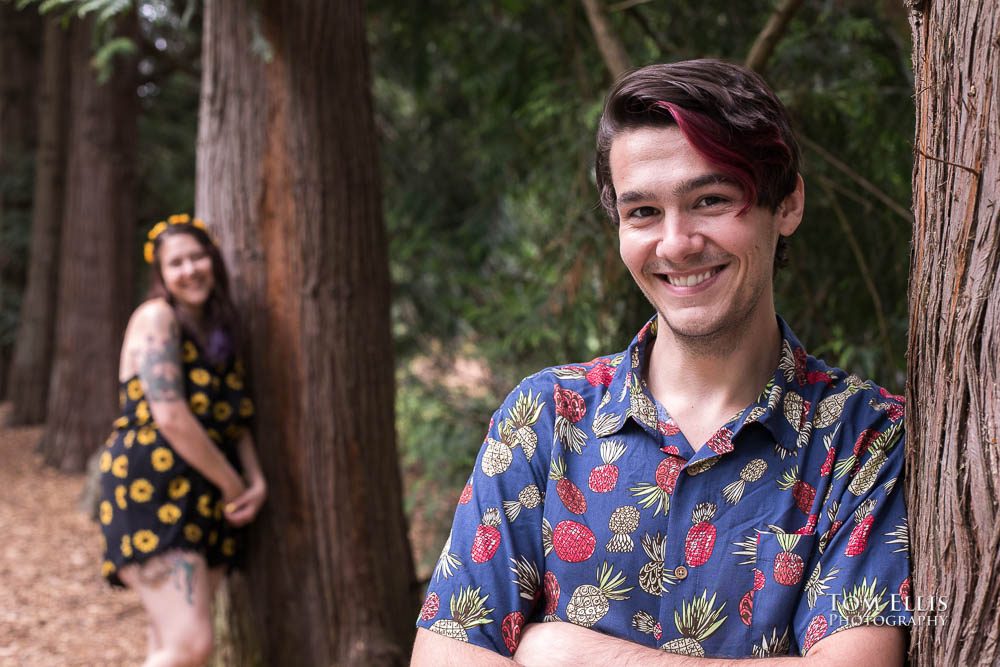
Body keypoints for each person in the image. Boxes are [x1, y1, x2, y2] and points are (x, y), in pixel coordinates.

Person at [411, 60, 910, 665]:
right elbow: (446, 655)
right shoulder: (546, 419)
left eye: (711, 199)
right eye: (643, 212)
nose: (676, 243)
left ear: (787, 204)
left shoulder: (865, 438)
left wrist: (572, 656)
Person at [96, 214, 267, 667]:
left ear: (213, 260)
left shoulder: (218, 335)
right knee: (190, 646)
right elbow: (169, 415)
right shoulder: (157, 318)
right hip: (151, 489)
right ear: (161, 276)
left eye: (197, 256)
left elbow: (235, 420)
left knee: (170, 643)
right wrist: (234, 485)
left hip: (203, 494)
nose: (190, 269)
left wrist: (255, 481)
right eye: (176, 263)